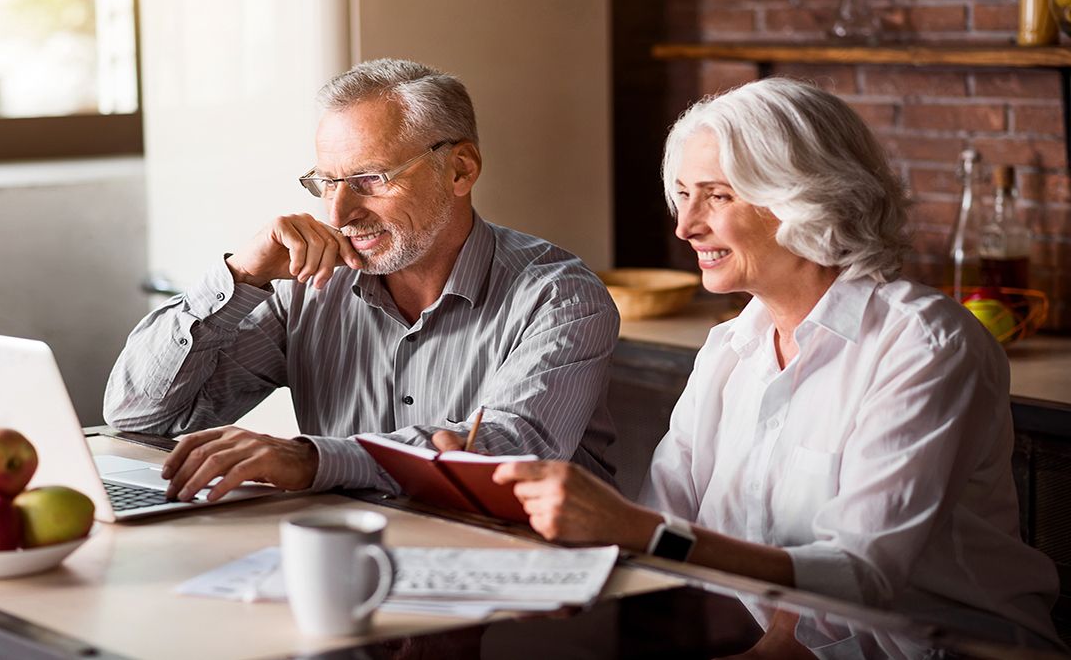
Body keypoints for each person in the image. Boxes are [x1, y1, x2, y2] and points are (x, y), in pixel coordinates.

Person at [490, 78, 1062, 651]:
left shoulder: (925, 346)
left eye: (717, 196)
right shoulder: (728, 351)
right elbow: (657, 533)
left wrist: (639, 533)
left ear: (805, 198)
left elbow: (859, 575)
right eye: (683, 194)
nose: (685, 226)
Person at [103, 58, 618, 503]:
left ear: (460, 170)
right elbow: (138, 418)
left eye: (370, 179)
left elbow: (504, 455)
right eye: (326, 183)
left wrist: (310, 460)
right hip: (351, 561)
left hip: (519, 580)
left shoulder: (560, 296)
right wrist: (240, 274)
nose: (339, 212)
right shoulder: (308, 288)